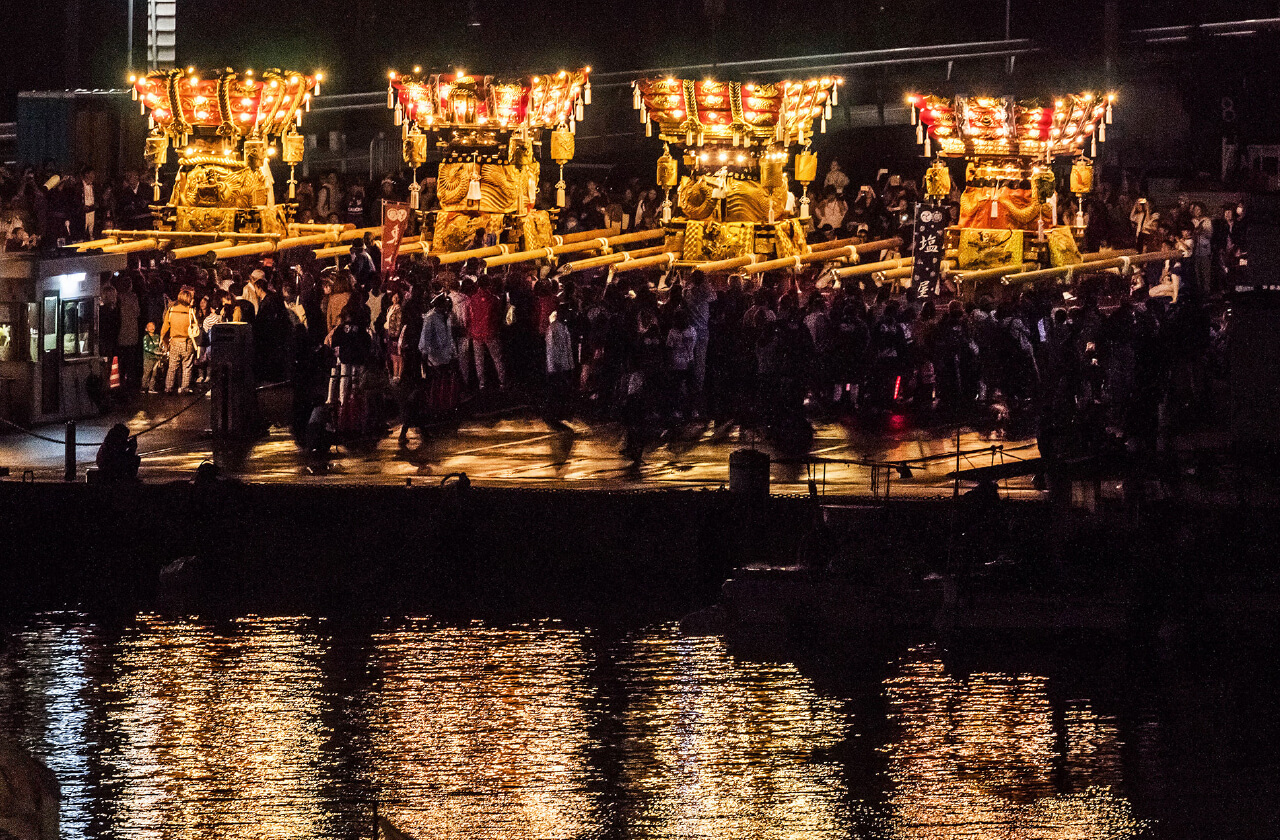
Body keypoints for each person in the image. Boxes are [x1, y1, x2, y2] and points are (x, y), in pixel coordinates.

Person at [159, 286, 196, 393]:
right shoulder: (190, 312)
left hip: (174, 341)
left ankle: (168, 387)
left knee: (172, 367)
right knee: (187, 366)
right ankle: (184, 388)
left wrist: (162, 339)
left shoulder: (171, 311)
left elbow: (165, 327)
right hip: (187, 341)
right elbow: (194, 326)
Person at [141, 322, 164, 393]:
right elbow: (145, 347)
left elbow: (160, 346)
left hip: (156, 358)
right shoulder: (146, 338)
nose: (152, 327)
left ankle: (151, 388)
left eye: (153, 326)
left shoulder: (157, 336)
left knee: (154, 374)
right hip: (148, 358)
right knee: (147, 373)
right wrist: (154, 351)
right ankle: (144, 387)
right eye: (150, 326)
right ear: (146, 329)